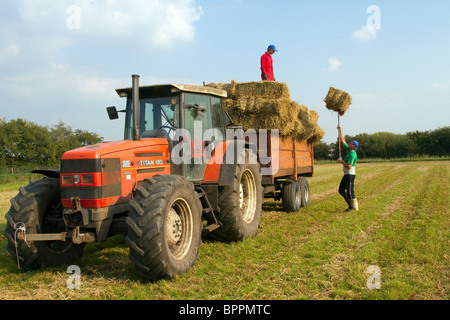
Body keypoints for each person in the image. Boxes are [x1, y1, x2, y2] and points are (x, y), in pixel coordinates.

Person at [337, 125, 359, 211]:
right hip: (346, 175)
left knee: (350, 192)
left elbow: (349, 166)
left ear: (353, 146)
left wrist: (341, 161)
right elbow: (342, 140)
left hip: (350, 175)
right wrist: (340, 129)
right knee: (341, 190)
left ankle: (355, 207)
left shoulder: (352, 154)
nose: (349, 143)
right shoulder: (348, 150)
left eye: (351, 143)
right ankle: (350, 205)